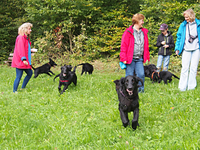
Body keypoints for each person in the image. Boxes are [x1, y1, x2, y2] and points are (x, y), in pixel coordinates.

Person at [120, 13, 150, 93]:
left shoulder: (144, 32)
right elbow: (123, 46)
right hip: (130, 59)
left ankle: (140, 91)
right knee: (129, 76)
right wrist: (123, 58)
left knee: (141, 74)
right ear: (137, 21)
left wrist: (146, 56)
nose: (143, 22)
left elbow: (146, 45)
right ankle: (126, 91)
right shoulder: (128, 32)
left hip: (139, 58)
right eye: (141, 20)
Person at [175, 9, 200, 91]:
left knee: (193, 68)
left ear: (191, 16)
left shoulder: (198, 24)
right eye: (185, 17)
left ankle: (191, 87)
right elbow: (179, 37)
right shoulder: (183, 25)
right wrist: (177, 48)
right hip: (186, 49)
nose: (186, 19)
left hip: (196, 49)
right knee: (185, 68)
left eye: (187, 17)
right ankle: (182, 87)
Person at [11, 22, 34, 93]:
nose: (30, 30)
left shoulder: (26, 38)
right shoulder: (21, 37)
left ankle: (22, 88)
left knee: (30, 73)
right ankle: (14, 91)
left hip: (25, 60)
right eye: (29, 29)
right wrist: (23, 59)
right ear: (25, 29)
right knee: (18, 76)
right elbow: (20, 49)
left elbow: (25, 48)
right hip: (21, 61)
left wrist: (30, 50)